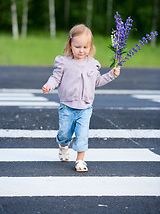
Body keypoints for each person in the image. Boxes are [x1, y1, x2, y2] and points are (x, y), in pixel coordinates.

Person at [42, 24, 120, 172]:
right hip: (67, 106)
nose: (81, 50)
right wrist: (48, 85)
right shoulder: (64, 62)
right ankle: (63, 145)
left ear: (90, 47)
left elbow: (97, 82)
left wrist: (112, 75)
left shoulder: (93, 64)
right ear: (70, 44)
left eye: (85, 47)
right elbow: (55, 78)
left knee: (82, 134)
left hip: (85, 107)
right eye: (77, 46)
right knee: (65, 133)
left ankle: (80, 160)